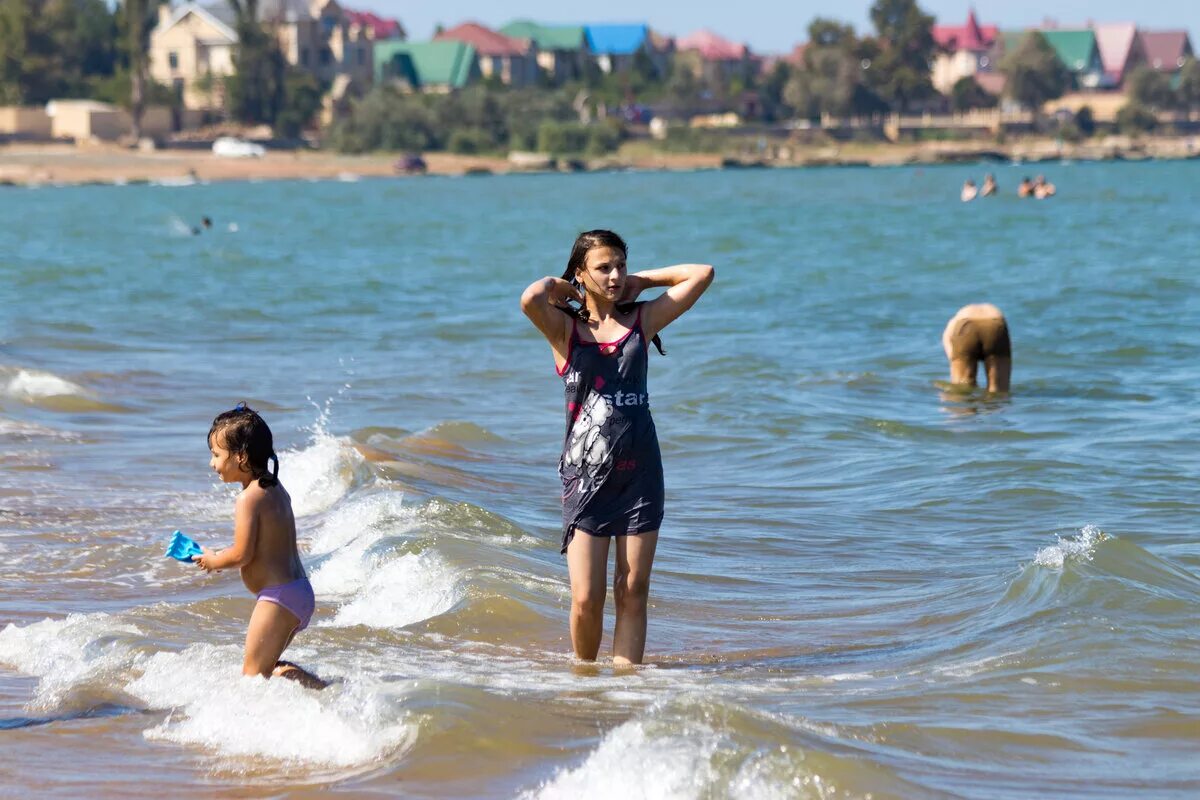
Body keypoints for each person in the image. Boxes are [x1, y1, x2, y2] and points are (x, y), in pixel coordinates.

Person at [520, 230, 714, 666]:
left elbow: (702, 274)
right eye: (604, 267)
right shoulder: (564, 330)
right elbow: (532, 297)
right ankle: (585, 681)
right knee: (587, 597)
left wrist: (642, 282)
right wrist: (564, 287)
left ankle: (626, 692)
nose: (615, 275)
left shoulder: (642, 321)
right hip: (585, 477)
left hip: (640, 474)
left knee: (631, 591)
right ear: (582, 273)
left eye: (620, 266)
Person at [194, 403, 325, 689]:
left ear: (240, 456)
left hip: (278, 599)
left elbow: (242, 554)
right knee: (266, 670)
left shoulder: (248, 499)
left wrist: (213, 561)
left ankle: (327, 692)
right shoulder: (275, 489)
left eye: (216, 455)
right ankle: (322, 691)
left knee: (252, 678)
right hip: (298, 591)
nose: (212, 464)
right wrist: (216, 555)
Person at [941, 304, 1012, 393]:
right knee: (999, 390)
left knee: (961, 389)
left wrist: (958, 364)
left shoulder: (954, 321)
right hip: (995, 320)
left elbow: (948, 344)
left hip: (965, 323)